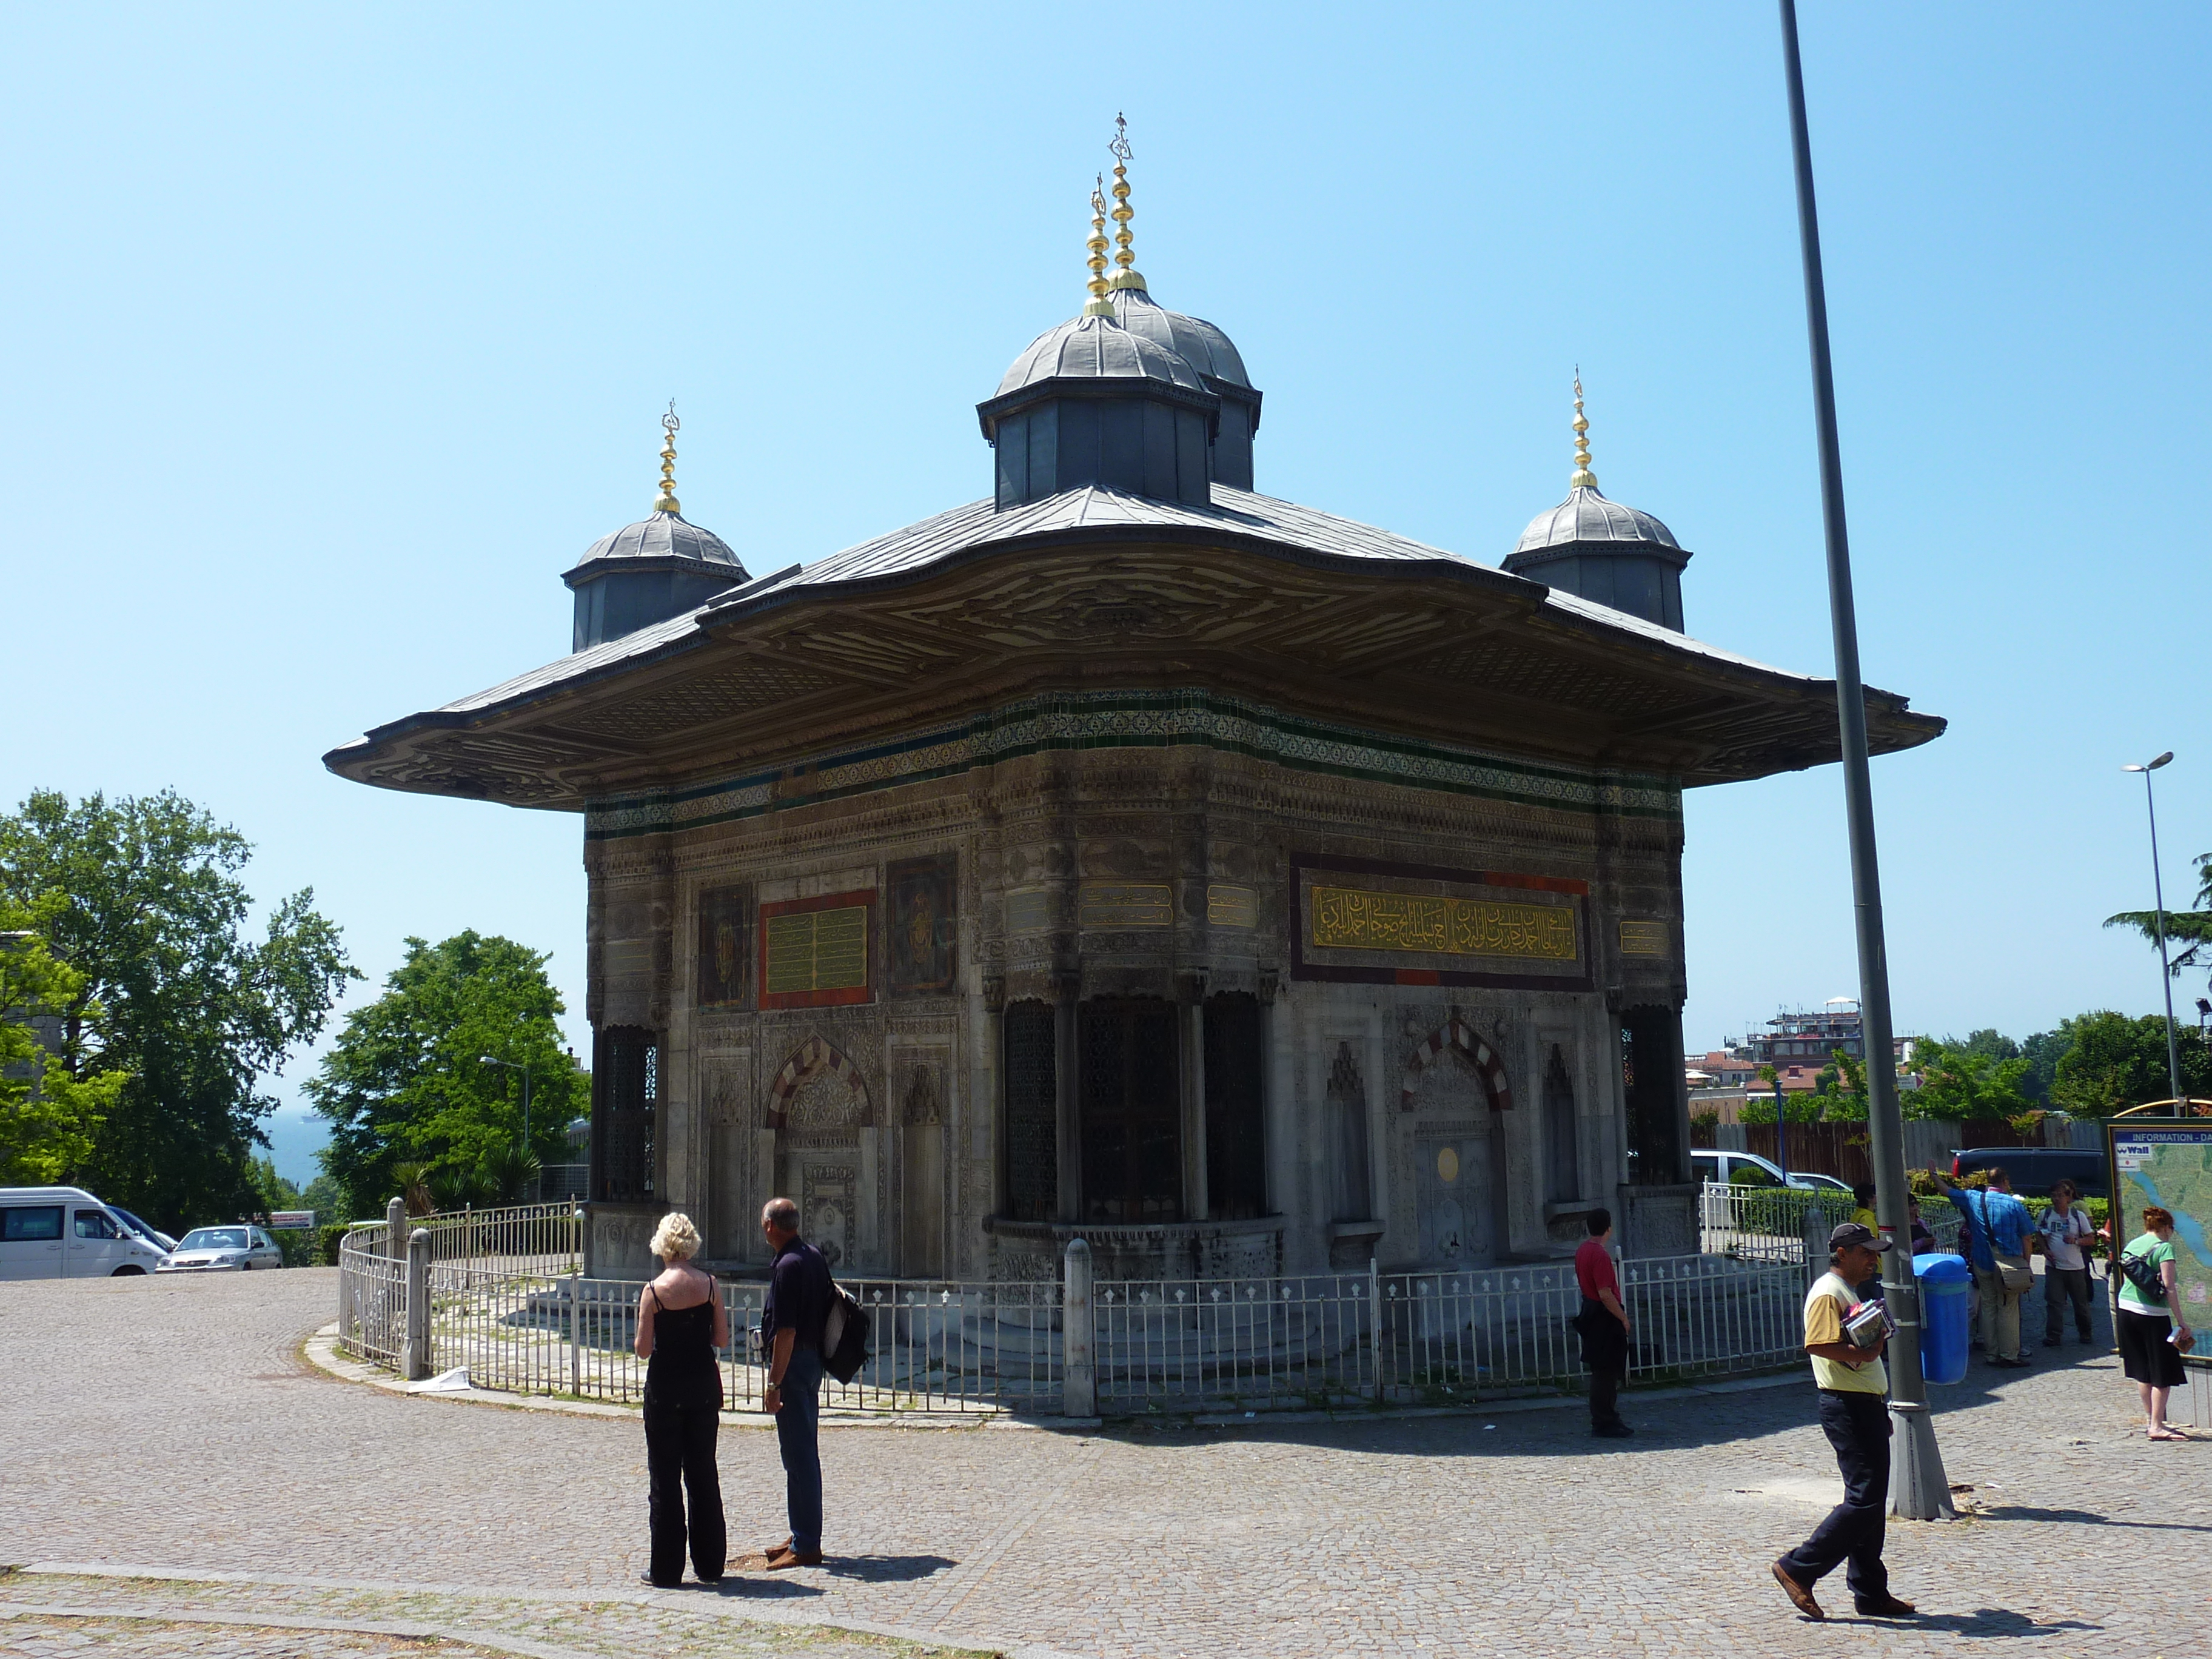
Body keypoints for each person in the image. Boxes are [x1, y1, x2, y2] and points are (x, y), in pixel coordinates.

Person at [1771, 1224, 1917, 1624]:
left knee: (1870, 1501)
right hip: (1845, 1405)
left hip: (1862, 1405)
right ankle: (1798, 1567)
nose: (1873, 1259)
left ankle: (1870, 1591)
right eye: (1865, 1252)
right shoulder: (1828, 1292)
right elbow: (1816, 1344)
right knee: (1865, 1499)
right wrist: (1867, 1355)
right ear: (1841, 1252)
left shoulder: (1848, 1292)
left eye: (1875, 1253)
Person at [632, 1212, 729, 1587]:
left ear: (661, 1245)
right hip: (703, 1389)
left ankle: (667, 1569)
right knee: (704, 1474)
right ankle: (710, 1563)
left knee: (666, 1479)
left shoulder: (653, 1292)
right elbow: (721, 1339)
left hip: (666, 1391)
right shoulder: (710, 1286)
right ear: (691, 1244)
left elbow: (642, 1349)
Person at [758, 1196, 834, 1567]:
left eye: (763, 1221)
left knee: (799, 1453)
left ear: (772, 1225)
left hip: (794, 1361)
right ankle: (800, 1531)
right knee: (800, 1450)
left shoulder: (787, 1266)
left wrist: (774, 1384)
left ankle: (806, 1544)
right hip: (812, 1360)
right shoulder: (813, 1255)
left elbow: (785, 1331)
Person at [1932, 1167, 2033, 1367]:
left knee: (1987, 1306)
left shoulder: (1973, 1198)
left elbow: (1947, 1191)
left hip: (1982, 1261)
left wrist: (1933, 1174)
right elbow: (2027, 1237)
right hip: (2008, 1263)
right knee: (2008, 1308)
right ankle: (2009, 1354)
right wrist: (2026, 1265)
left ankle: (1991, 1353)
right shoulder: (2014, 1204)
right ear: (2005, 1181)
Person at [2116, 1206, 2194, 1441]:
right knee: (2162, 1371)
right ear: (2166, 1227)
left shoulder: (2133, 1244)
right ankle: (2157, 1426)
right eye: (2172, 1229)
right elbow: (2169, 1287)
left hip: (2126, 1309)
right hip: (2151, 1314)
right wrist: (2181, 1322)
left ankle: (2152, 1420)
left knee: (2143, 1370)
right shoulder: (2165, 1248)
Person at [1574, 1208, 1631, 1438]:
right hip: (1604, 1314)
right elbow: (1605, 1292)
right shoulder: (1600, 1255)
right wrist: (1623, 1318)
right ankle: (1605, 1419)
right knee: (1606, 1371)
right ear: (1609, 1228)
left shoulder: (1582, 1251)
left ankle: (1606, 1416)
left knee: (1602, 1369)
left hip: (1590, 1308)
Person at [2037, 1180, 2097, 1348]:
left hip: (2076, 1267)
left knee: (2080, 1303)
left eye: (2061, 1196)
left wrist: (2077, 1240)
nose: (2057, 1199)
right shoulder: (2046, 1214)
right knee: (2054, 1302)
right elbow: (2039, 1234)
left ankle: (2085, 1332)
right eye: (2054, 1196)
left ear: (2069, 1197)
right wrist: (2045, 1249)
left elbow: (2091, 1239)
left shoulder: (2078, 1216)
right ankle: (2054, 1336)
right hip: (2054, 1267)